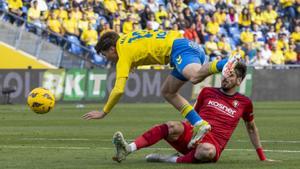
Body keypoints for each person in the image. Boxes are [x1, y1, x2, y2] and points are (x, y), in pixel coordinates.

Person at [82, 29, 237, 147]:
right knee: (168, 92)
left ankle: (225, 63)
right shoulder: (128, 38)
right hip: (184, 46)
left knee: (195, 77)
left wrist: (104, 112)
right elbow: (147, 46)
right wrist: (133, 64)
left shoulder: (123, 54)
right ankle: (199, 124)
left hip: (180, 50)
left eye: (104, 54)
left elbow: (119, 89)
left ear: (111, 49)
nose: (106, 58)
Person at [112, 62, 274, 163]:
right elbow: (192, 116)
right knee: (171, 126)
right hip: (193, 135)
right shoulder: (207, 92)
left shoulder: (245, 103)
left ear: (239, 81)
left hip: (212, 144)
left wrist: (262, 157)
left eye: (230, 76)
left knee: (207, 151)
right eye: (225, 74)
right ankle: (128, 148)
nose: (225, 78)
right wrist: (185, 135)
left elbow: (251, 128)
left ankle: (170, 160)